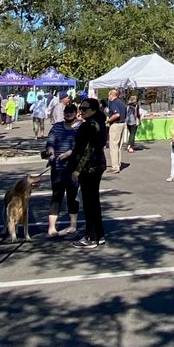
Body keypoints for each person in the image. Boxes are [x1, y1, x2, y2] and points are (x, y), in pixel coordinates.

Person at [71, 97, 107, 245]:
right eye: (80, 108)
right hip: (97, 165)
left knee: (89, 202)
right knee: (93, 201)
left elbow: (89, 149)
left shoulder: (91, 125)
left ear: (93, 109)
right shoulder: (98, 122)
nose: (81, 111)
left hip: (90, 167)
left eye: (84, 109)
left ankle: (91, 237)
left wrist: (78, 170)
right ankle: (99, 234)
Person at [42, 101, 80, 235]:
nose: (68, 114)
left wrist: (69, 153)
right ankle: (52, 227)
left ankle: (73, 224)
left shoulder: (80, 128)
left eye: (71, 112)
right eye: (66, 112)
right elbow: (50, 142)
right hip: (57, 168)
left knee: (72, 196)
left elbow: (81, 146)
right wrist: (50, 152)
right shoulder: (57, 127)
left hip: (73, 169)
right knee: (56, 196)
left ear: (76, 114)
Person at [105, 89, 127, 174]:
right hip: (122, 124)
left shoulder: (114, 103)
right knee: (118, 146)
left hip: (116, 125)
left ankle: (115, 167)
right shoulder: (122, 103)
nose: (108, 97)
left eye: (109, 96)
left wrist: (108, 120)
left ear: (111, 95)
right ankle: (118, 163)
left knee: (113, 146)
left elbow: (117, 114)